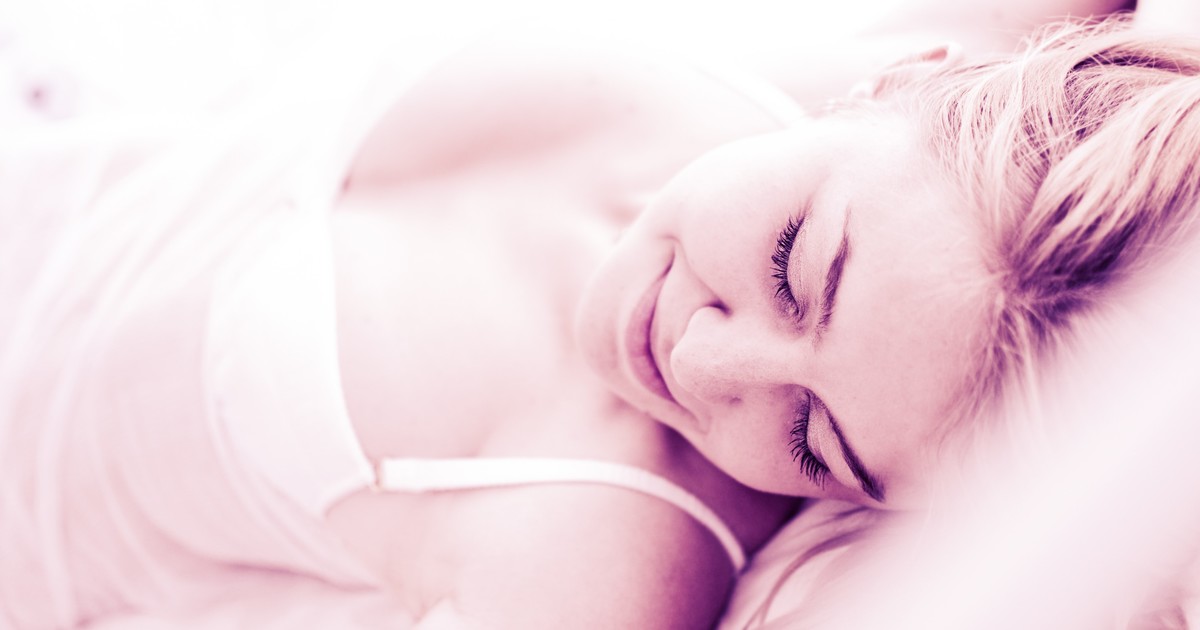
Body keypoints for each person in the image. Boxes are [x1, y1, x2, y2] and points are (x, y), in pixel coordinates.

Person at [2, 2, 1195, 629]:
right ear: (910, 78)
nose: (706, 360)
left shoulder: (594, 563)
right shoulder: (866, 74)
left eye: (813, 440)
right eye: (792, 267)